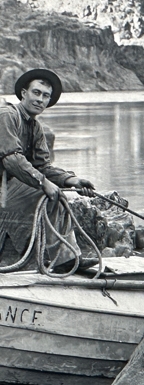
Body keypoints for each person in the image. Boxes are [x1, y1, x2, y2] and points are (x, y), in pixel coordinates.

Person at [0, 68, 96, 269]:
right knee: (50, 194)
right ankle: (58, 260)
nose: (40, 100)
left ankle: (63, 257)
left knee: (58, 194)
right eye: (36, 93)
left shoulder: (35, 127)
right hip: (3, 190)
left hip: (8, 190)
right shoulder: (7, 115)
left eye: (45, 96)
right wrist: (43, 183)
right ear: (24, 93)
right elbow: (11, 159)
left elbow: (42, 166)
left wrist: (71, 180)